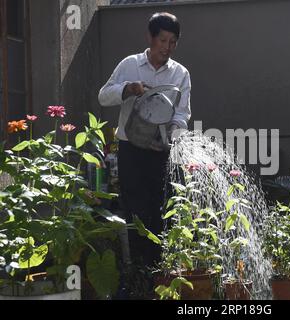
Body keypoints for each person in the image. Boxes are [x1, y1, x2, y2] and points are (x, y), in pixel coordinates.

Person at [98, 12, 192, 269]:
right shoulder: (130, 65)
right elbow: (103, 96)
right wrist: (128, 88)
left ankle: (162, 270)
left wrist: (172, 135)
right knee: (135, 210)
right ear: (150, 38)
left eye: (173, 42)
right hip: (131, 150)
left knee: (162, 210)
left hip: (162, 151)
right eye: (163, 40)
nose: (167, 47)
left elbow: (182, 113)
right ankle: (140, 272)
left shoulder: (180, 74)